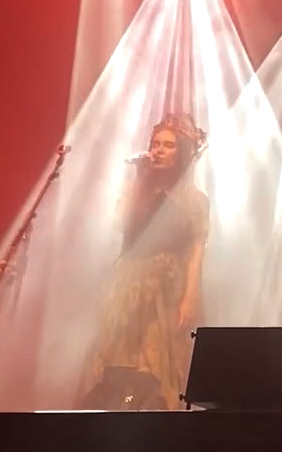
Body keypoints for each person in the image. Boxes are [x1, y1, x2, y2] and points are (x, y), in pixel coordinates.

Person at [80, 113, 209, 410]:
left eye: (169, 145)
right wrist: (141, 179)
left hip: (166, 287)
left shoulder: (196, 200)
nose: (159, 150)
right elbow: (121, 223)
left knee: (156, 365)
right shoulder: (137, 190)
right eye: (156, 144)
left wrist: (190, 297)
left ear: (184, 153)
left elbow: (195, 251)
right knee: (119, 362)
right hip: (129, 285)